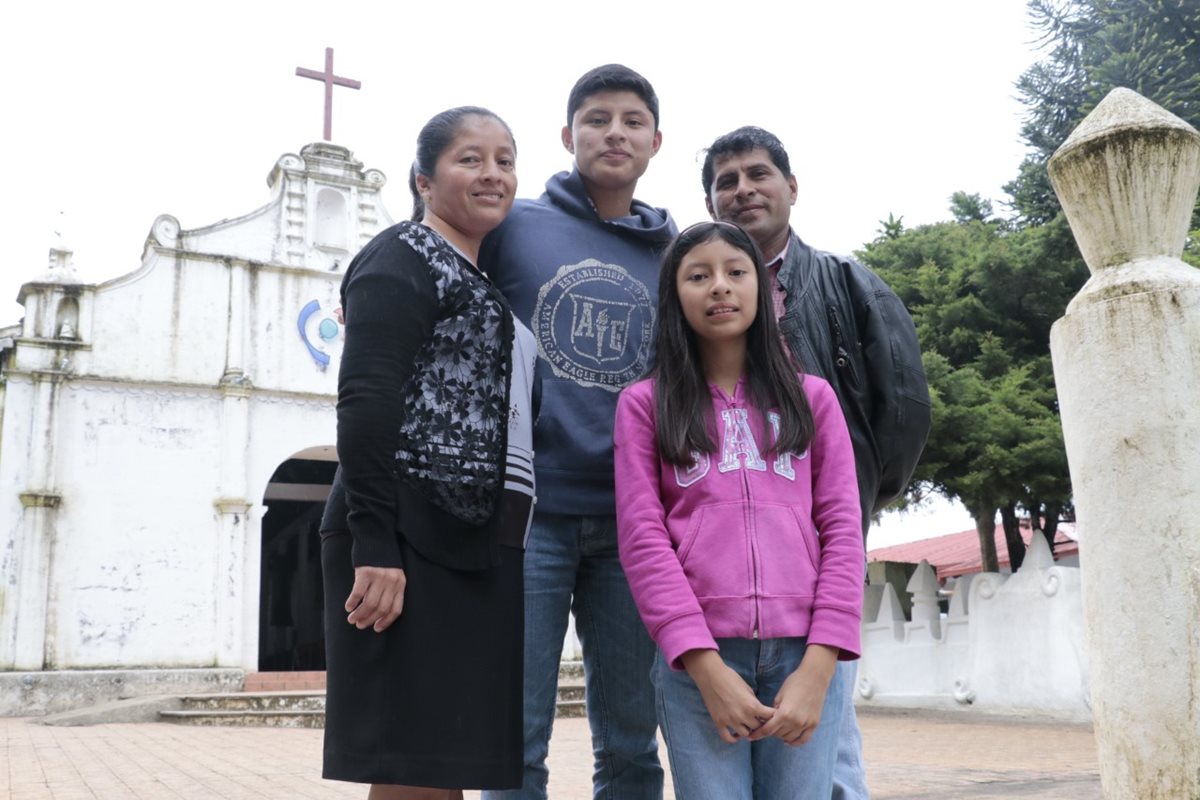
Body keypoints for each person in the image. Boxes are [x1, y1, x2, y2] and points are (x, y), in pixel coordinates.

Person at [701, 126, 932, 799]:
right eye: (726, 182)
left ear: (791, 187)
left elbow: (903, 407)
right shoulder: (695, 298)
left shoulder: (847, 284)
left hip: (819, 541)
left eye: (758, 174)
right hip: (723, 559)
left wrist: (849, 502)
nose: (743, 190)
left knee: (827, 734)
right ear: (711, 204)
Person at [319, 106, 536, 799]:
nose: (493, 173)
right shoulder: (402, 255)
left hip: (467, 540)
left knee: (445, 765)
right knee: (411, 765)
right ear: (423, 180)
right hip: (407, 536)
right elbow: (366, 397)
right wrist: (375, 543)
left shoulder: (475, 276)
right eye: (470, 159)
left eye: (504, 160)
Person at [614, 221, 865, 798]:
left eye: (736, 272)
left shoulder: (813, 399)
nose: (720, 287)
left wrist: (819, 667)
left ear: (762, 287)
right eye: (698, 276)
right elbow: (643, 538)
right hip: (700, 663)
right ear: (674, 297)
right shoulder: (644, 406)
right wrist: (703, 667)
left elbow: (843, 530)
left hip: (805, 656)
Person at [478, 64, 675, 800]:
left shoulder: (675, 253)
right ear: (567, 135)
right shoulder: (515, 225)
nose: (614, 133)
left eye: (631, 121)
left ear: (655, 141)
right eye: (597, 119)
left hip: (635, 521)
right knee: (512, 738)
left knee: (631, 743)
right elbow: (435, 267)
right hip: (526, 514)